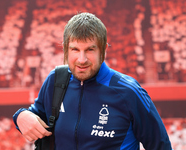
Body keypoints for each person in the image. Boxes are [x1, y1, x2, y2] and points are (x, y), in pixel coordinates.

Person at [13, 12, 172, 150]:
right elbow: (35, 115)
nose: (82, 60)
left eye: (90, 49)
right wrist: (20, 116)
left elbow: (160, 145)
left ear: (103, 50)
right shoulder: (55, 80)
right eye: (75, 49)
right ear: (66, 49)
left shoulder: (128, 91)